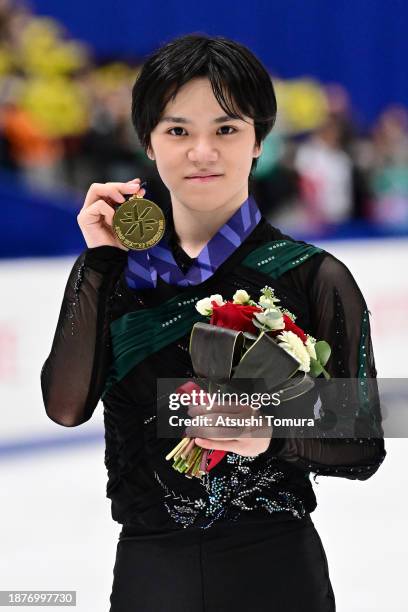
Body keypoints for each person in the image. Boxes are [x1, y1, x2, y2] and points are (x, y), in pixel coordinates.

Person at [40, 34, 386, 612]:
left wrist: (269, 432)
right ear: (148, 143)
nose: (203, 151)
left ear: (259, 140)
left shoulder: (312, 275)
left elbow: (364, 441)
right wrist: (100, 260)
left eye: (226, 129)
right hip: (151, 573)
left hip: (278, 572)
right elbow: (65, 407)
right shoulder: (114, 272)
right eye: (178, 131)